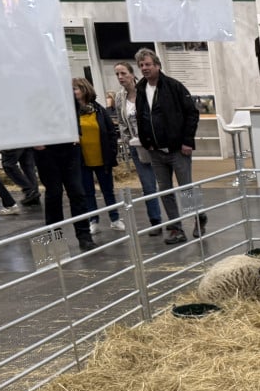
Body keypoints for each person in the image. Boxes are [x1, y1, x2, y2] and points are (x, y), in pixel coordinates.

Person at [134, 47, 202, 246]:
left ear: (157, 65)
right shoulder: (140, 89)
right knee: (165, 191)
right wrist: (146, 142)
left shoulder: (174, 86)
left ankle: (199, 218)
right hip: (155, 151)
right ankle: (176, 228)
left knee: (186, 188)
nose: (144, 68)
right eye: (141, 65)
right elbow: (141, 116)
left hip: (178, 149)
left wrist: (187, 141)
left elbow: (192, 113)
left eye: (148, 64)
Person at [114, 61, 164, 236]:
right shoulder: (119, 97)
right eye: (117, 74)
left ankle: (177, 220)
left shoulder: (146, 90)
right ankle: (155, 221)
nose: (120, 77)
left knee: (165, 182)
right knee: (148, 185)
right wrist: (129, 140)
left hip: (156, 144)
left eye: (123, 73)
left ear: (131, 73)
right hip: (137, 146)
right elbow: (121, 121)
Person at [72, 77, 122, 233]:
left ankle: (115, 219)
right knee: (88, 193)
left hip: (102, 157)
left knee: (108, 191)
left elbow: (111, 132)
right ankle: (93, 220)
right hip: (82, 160)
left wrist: (112, 152)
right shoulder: (71, 113)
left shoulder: (99, 110)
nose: (73, 92)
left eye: (75, 89)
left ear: (84, 89)